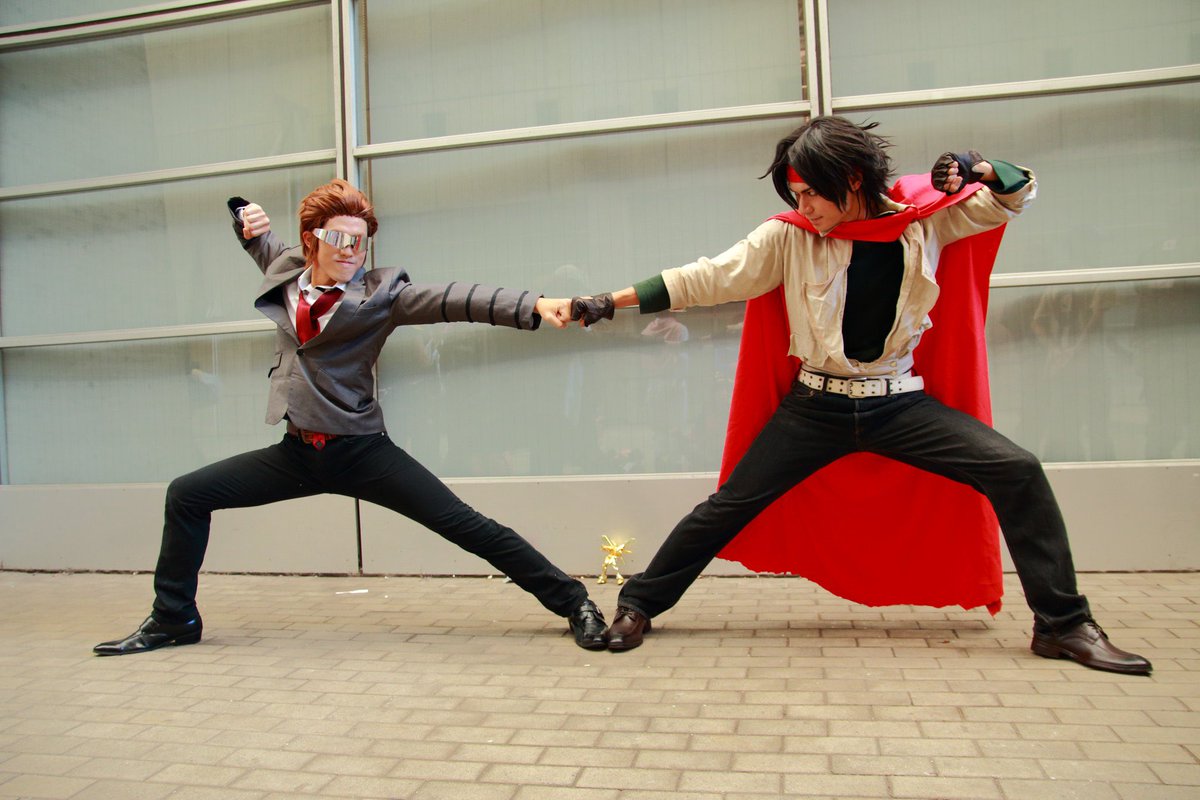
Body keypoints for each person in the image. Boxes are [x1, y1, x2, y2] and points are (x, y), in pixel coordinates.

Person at [565, 116, 1152, 675]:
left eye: (811, 193)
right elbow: (708, 278)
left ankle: (1062, 625)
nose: (803, 207)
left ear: (850, 179)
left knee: (1018, 471)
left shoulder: (926, 223)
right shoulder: (789, 237)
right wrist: (609, 302)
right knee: (729, 507)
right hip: (813, 408)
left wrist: (979, 168)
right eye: (795, 195)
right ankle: (639, 603)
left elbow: (1013, 193)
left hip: (899, 404)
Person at [94, 179, 608, 655]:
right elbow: (260, 241)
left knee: (468, 526)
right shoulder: (287, 272)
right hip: (298, 453)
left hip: (362, 451)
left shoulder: (382, 297)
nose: (349, 251)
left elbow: (457, 298)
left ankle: (575, 602)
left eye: (359, 243)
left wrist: (537, 304)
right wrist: (244, 217)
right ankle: (174, 619)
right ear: (311, 240)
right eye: (338, 239)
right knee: (187, 495)